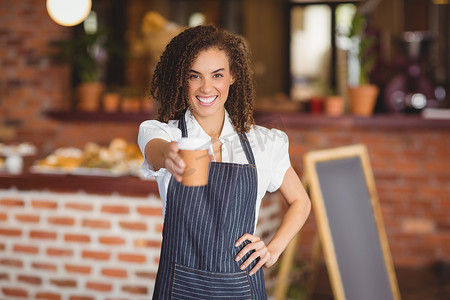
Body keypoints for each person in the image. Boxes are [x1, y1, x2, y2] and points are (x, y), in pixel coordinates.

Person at [138, 25, 311, 299]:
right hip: (179, 288)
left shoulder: (262, 143)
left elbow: (301, 202)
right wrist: (170, 157)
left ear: (233, 77)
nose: (207, 87)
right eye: (195, 76)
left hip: (241, 287)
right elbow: (156, 152)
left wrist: (273, 250)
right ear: (182, 80)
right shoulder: (162, 134)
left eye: (217, 75)